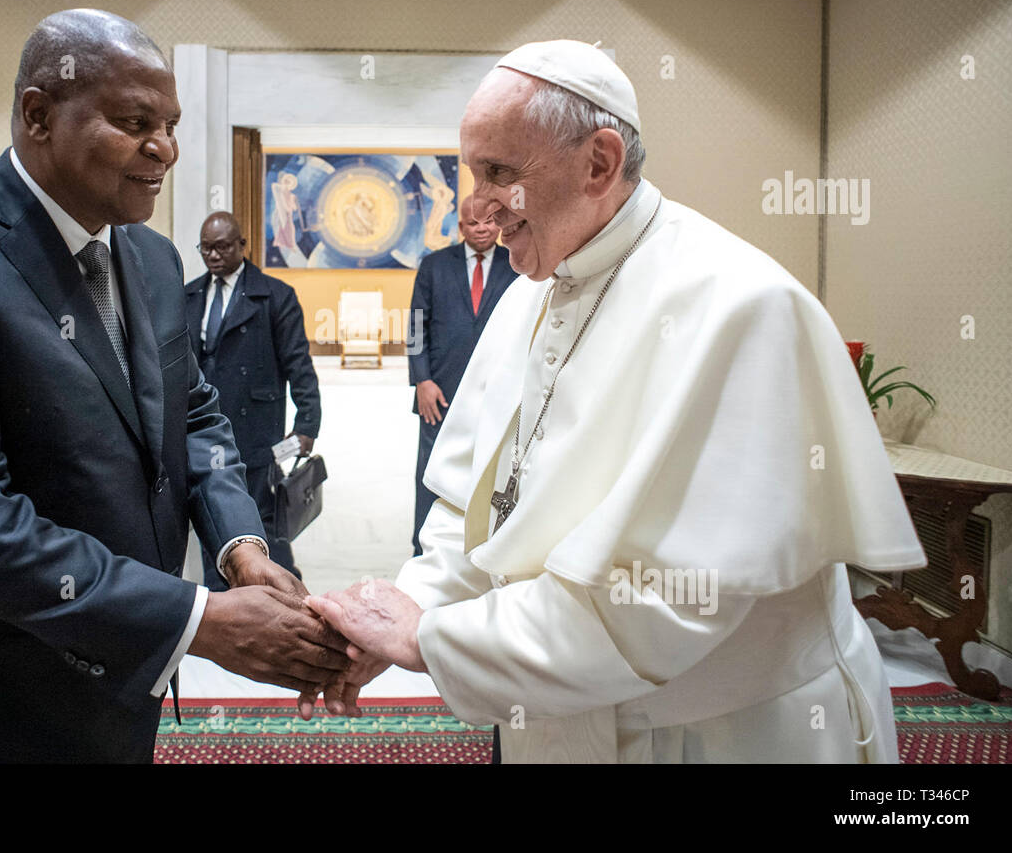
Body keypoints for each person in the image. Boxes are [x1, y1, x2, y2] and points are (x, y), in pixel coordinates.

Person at [302, 40, 926, 764]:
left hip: (717, 735)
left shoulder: (743, 307)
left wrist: (427, 638)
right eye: (473, 174)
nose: (475, 206)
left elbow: (663, 602)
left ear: (598, 163)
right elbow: (473, 507)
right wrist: (413, 605)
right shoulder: (527, 298)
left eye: (500, 173)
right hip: (546, 714)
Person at [0, 9, 349, 762]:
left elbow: (195, 414)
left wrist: (240, 545)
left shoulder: (148, 258)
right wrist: (198, 621)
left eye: (172, 124)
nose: (166, 149)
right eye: (134, 121)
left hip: (111, 668)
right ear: (39, 114)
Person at [185, 211, 321, 589]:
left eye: (222, 246)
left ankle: (289, 600)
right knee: (211, 518)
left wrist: (306, 425)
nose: (213, 255)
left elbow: (299, 364)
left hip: (258, 431)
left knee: (265, 523)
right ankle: (222, 602)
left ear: (242, 245)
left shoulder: (274, 295)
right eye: (206, 248)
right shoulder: (190, 295)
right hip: (202, 431)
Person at [408, 198, 516, 555]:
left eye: (488, 222)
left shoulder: (516, 264)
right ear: (461, 228)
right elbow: (415, 327)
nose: (482, 229)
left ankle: (484, 549)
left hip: (498, 391)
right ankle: (423, 550)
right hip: (439, 392)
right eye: (473, 223)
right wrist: (421, 380)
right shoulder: (434, 265)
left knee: (491, 472)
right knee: (432, 474)